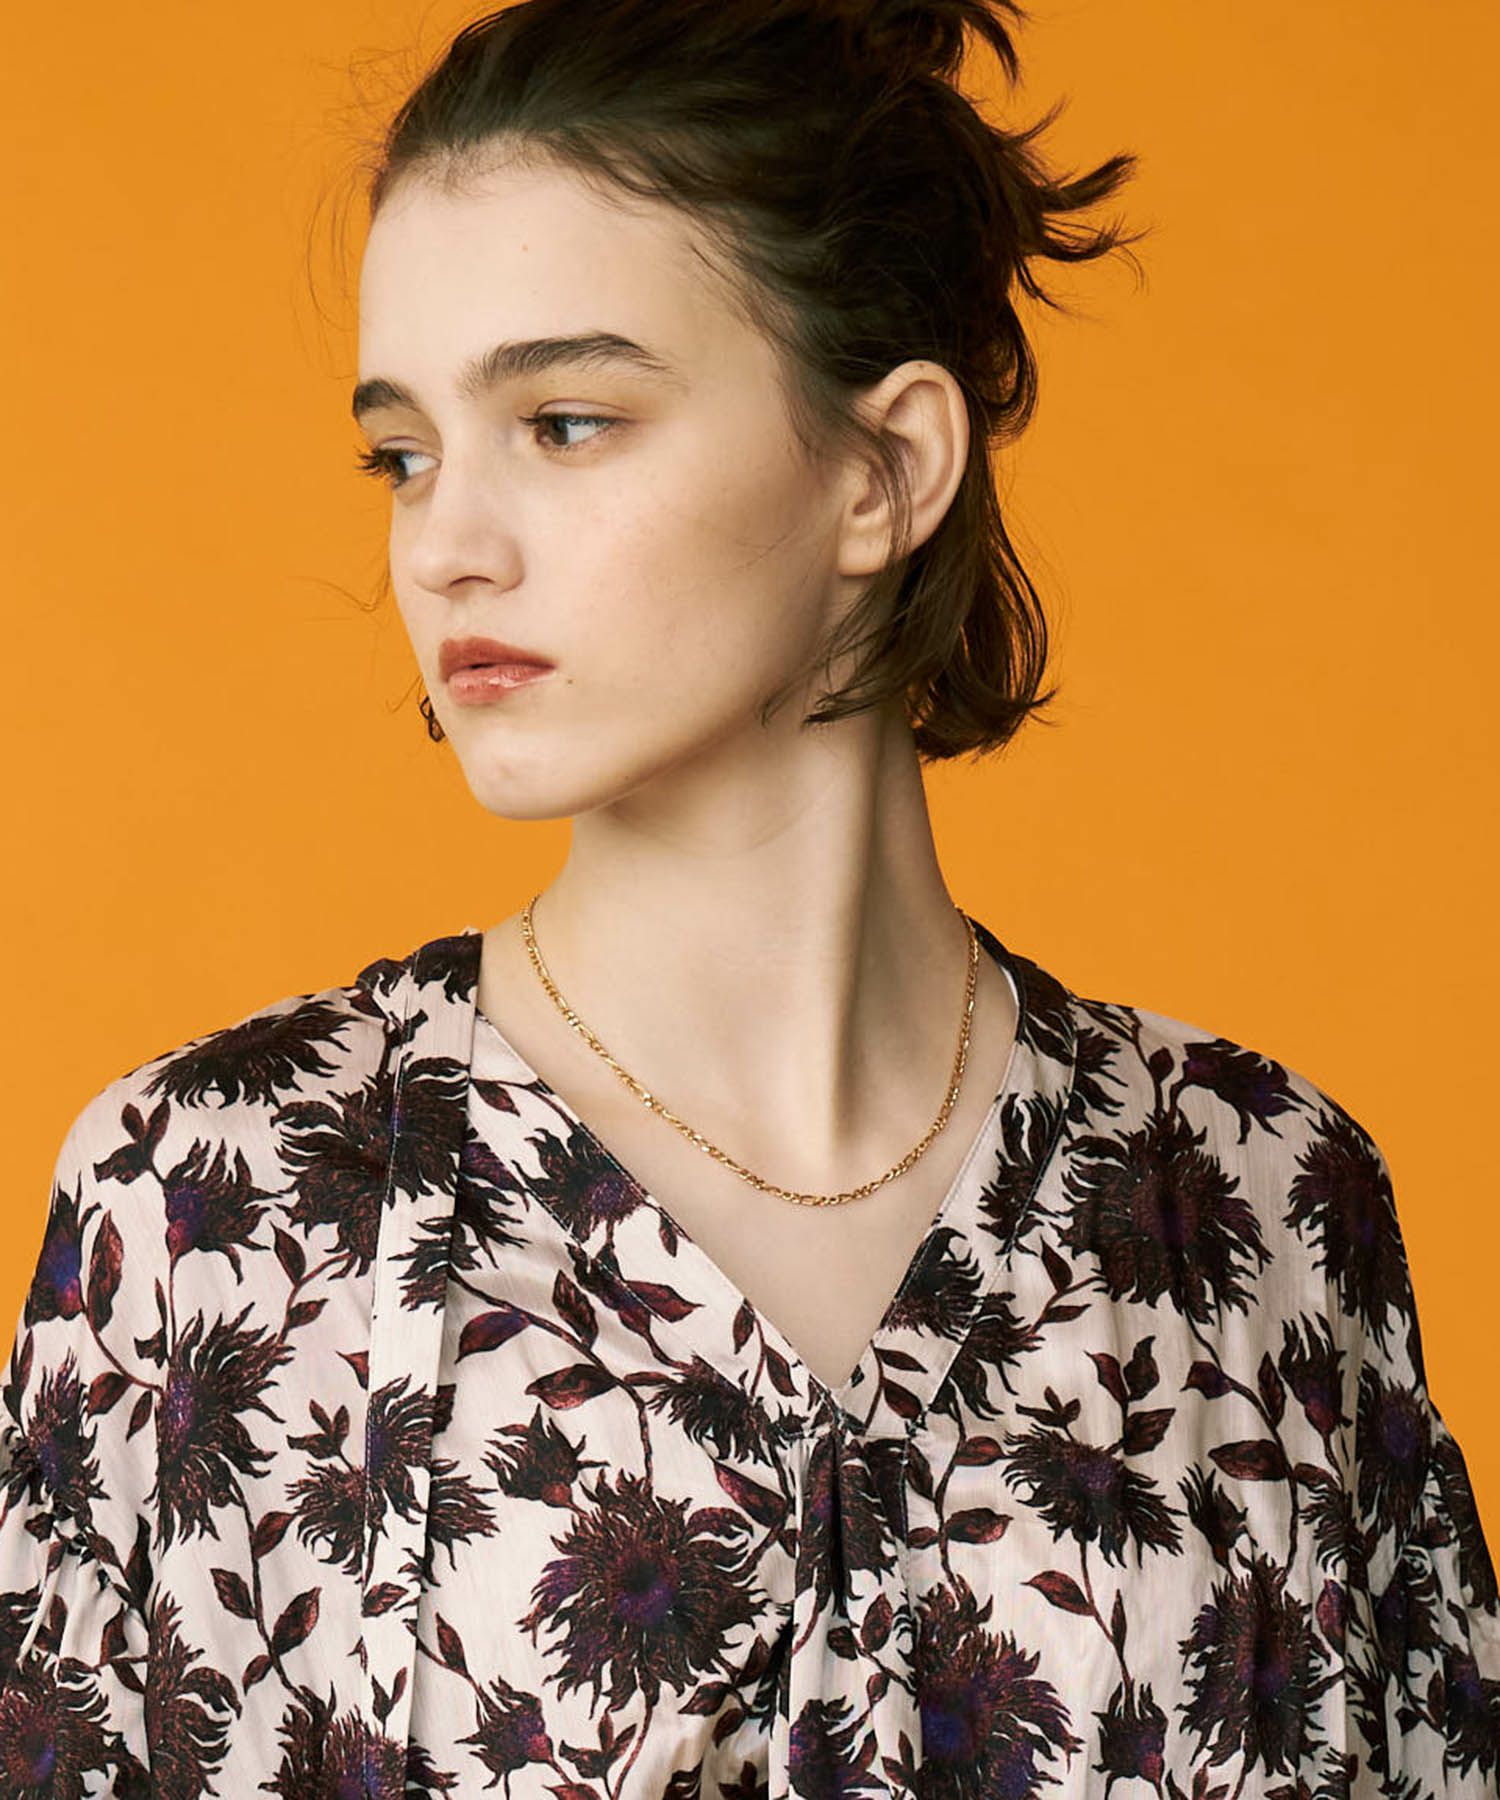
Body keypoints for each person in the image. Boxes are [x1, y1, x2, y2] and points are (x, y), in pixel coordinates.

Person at [2, 0, 1496, 1792]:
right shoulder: (213, 1213)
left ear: (884, 471)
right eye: (403, 453)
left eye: (565, 422)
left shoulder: (1257, 1207)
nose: (443, 543)